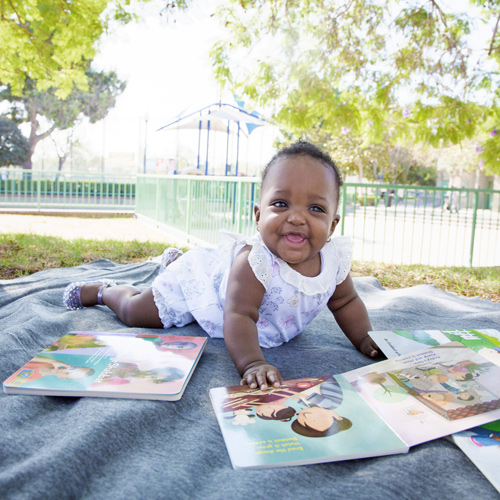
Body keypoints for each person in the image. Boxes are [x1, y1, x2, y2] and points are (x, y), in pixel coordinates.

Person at [63, 141, 378, 390]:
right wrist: (253, 363)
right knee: (138, 313)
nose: (296, 217)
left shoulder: (333, 261)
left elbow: (346, 301)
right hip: (207, 292)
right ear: (258, 215)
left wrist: (365, 338)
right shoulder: (255, 261)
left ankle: (172, 261)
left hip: (240, 306)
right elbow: (240, 314)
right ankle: (105, 292)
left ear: (333, 224)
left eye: (315, 208)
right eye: (280, 204)